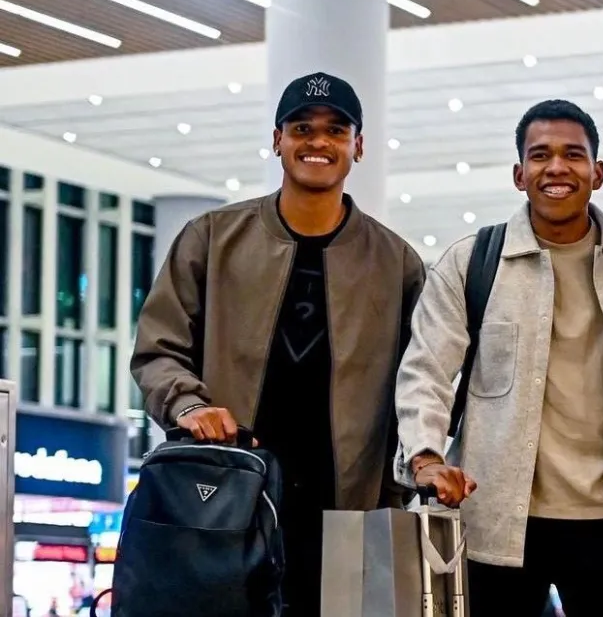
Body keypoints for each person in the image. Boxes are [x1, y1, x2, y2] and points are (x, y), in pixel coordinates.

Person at [131, 71, 425, 615]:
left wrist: (407, 478)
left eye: (336, 130)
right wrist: (189, 404)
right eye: (301, 128)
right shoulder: (212, 238)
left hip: (346, 517)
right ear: (277, 140)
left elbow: (419, 384)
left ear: (357, 146)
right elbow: (157, 347)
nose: (318, 141)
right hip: (224, 502)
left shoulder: (397, 263)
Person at [393, 99, 603, 617]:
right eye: (540, 155)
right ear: (519, 174)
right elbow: (426, 367)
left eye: (573, 155)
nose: (556, 168)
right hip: (497, 519)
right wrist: (425, 457)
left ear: (597, 172)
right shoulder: (473, 262)